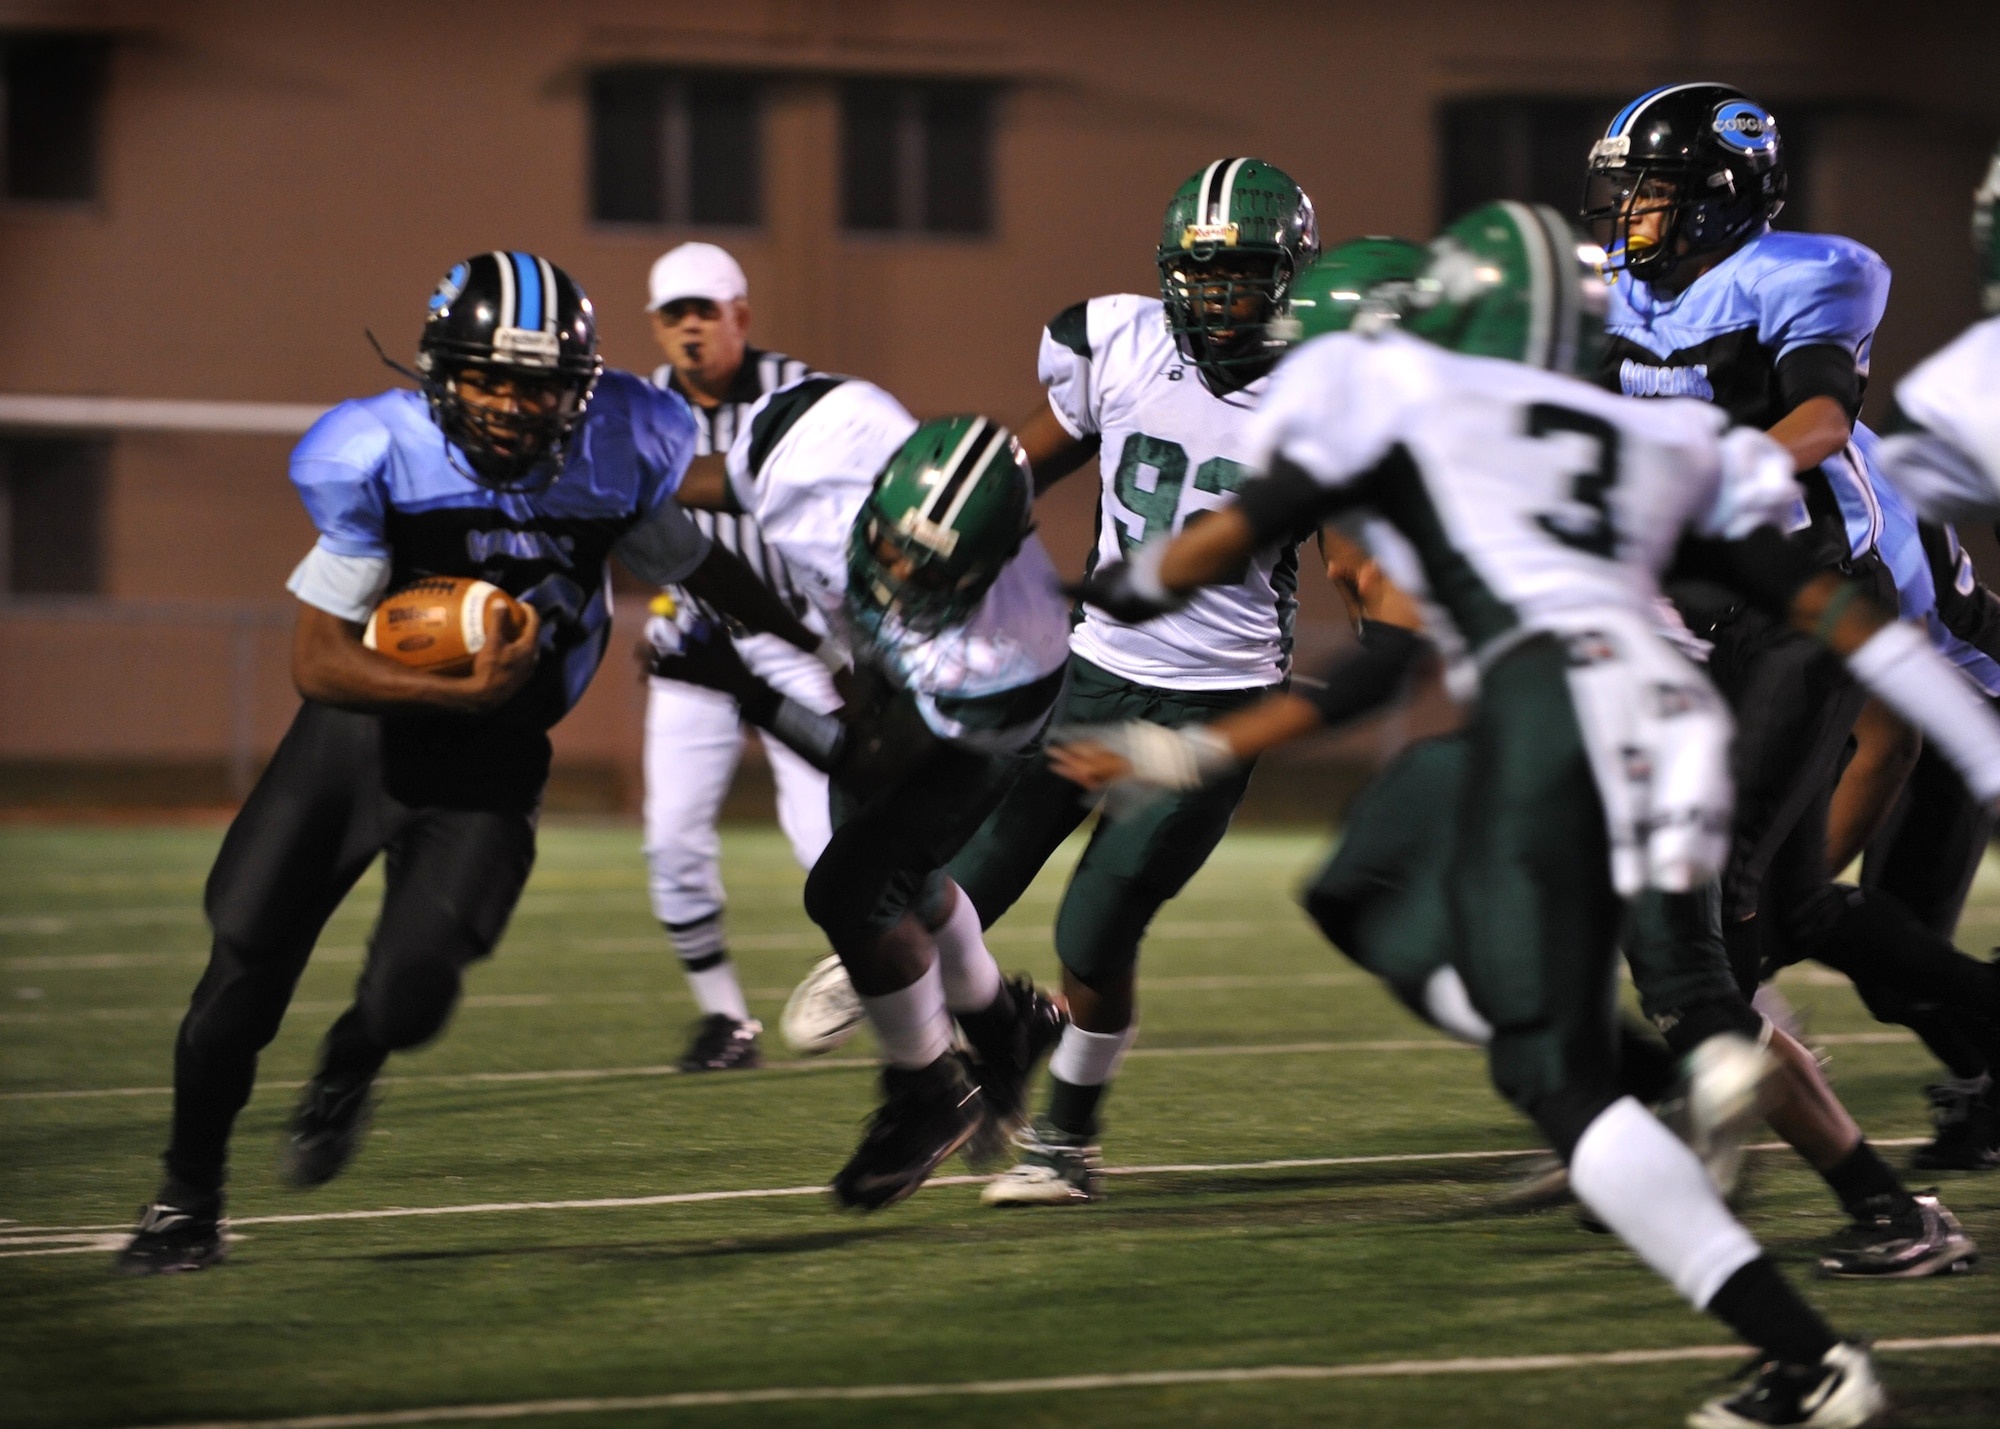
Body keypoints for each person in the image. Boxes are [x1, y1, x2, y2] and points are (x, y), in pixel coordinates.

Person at [1075, 202, 2000, 1427]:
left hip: (1548, 719)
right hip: (1668, 720)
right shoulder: (1633, 430)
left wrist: (1114, 620)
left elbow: (1311, 618)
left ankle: (1655, 1105)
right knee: (1690, 993)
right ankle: (1815, 1192)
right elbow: (1816, 593)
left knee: (1429, 937)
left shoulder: (1397, 430)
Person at [114, 252, 829, 1277]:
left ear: (575, 390)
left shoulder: (621, 447)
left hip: (489, 766)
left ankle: (350, 1062)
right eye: (487, 377)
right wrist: (454, 690)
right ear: (440, 372)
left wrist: (816, 641)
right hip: (356, 745)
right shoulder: (377, 454)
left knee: (412, 997)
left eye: (533, 383)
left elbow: (690, 561)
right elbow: (318, 661)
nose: (507, 403)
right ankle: (187, 1197)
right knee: (241, 971)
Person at [1584, 84, 2000, 1167]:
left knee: (1820, 924)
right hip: (1802, 639)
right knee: (1802, 915)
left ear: (1721, 195)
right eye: (1623, 189)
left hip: (1935, 678)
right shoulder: (1628, 299)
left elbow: (1815, 419)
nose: (1628, 210)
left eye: (1653, 189)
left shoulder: (1803, 276)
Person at [934, 159, 1322, 1205]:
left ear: (1289, 280)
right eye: (1197, 277)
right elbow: (1026, 463)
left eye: (1240, 277)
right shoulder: (1118, 342)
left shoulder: (1329, 392)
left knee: (1095, 924)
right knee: (959, 879)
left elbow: (1368, 559)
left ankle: (1067, 1139)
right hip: (1092, 668)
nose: (1214, 299)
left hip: (1217, 692)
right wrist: (948, 531)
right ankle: (968, 1063)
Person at [670, 385, 1069, 1209]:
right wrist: (628, 489)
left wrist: (749, 691)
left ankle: (928, 1092)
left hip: (980, 725)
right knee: (905, 885)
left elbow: (867, 764)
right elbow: (721, 480)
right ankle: (1004, 1025)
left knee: (852, 887)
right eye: (885, 549)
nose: (892, 580)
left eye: (924, 573)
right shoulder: (816, 452)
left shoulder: (995, 656)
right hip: (901, 669)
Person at [636, 242, 845, 1072]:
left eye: (704, 311)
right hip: (696, 645)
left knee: (827, 831)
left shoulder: (798, 393)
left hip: (797, 641)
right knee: (672, 840)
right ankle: (725, 1018)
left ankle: (901, 975)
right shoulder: (636, 407)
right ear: (654, 325)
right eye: (672, 314)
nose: (690, 329)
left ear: (740, 316)